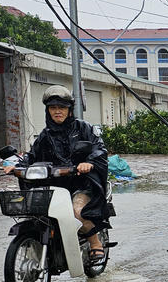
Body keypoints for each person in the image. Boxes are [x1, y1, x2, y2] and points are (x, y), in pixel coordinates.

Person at [11, 86, 110, 260]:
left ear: (69, 110)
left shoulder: (84, 128)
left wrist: (89, 163)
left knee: (77, 212)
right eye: (53, 108)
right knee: (37, 213)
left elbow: (99, 149)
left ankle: (95, 243)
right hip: (54, 185)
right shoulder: (45, 135)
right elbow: (31, 156)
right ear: (48, 110)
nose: (57, 111)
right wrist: (17, 166)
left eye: (62, 107)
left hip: (81, 184)